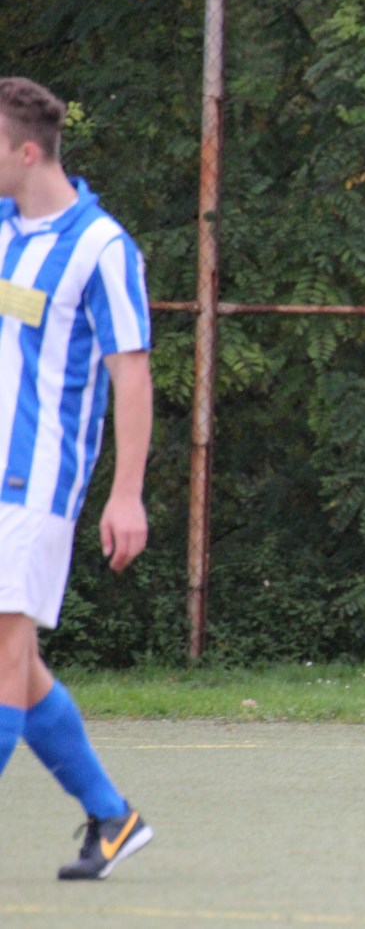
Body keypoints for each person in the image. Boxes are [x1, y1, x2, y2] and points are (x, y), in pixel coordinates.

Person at [0, 77, 156, 875]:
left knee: (0, 659)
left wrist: (125, 492)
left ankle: (111, 812)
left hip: (37, 488)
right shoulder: (2, 230)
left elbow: (131, 373)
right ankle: (110, 813)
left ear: (26, 150)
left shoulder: (102, 248)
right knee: (17, 669)